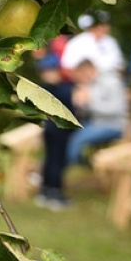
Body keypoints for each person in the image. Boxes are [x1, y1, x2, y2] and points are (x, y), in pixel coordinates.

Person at [33, 42, 75, 210]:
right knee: (56, 160)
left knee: (53, 160)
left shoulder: (60, 87)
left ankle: (46, 190)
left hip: (55, 130)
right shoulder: (58, 90)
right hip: (56, 130)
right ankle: (54, 192)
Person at [65, 59, 130, 167]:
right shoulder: (92, 83)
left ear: (88, 70)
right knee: (65, 131)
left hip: (113, 125)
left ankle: (77, 170)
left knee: (76, 140)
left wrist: (90, 102)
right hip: (96, 123)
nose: (81, 80)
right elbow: (90, 111)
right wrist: (80, 103)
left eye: (81, 76)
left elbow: (116, 109)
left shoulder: (111, 82)